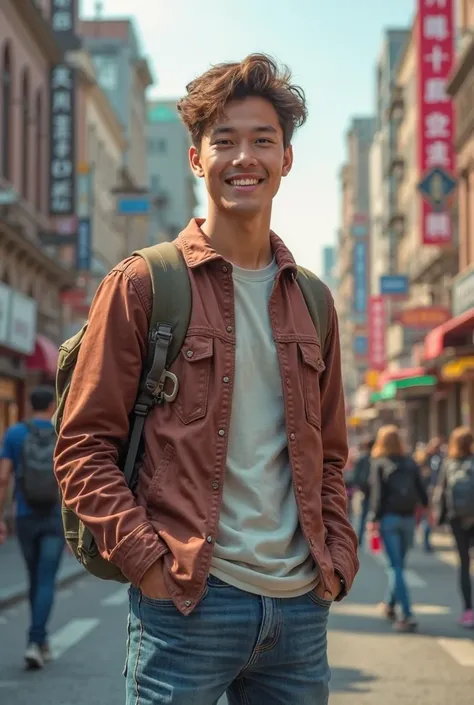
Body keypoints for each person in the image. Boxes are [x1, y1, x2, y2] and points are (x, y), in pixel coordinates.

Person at [54, 54, 358, 705]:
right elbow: (82, 448)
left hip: (299, 610)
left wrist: (335, 560)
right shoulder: (145, 283)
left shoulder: (314, 301)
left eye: (262, 140)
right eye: (224, 140)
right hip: (188, 604)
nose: (243, 157)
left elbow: (330, 453)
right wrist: (148, 564)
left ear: (286, 159)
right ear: (197, 159)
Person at [0, 385, 63, 669]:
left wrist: (2, 517)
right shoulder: (61, 433)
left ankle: (39, 639)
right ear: (51, 405)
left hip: (25, 517)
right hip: (54, 517)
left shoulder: (14, 433)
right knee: (46, 580)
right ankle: (37, 640)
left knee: (33, 577)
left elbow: (3, 478)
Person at [368, 425, 427, 632]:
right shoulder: (410, 462)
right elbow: (422, 489)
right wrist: (428, 511)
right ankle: (390, 605)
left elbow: (377, 495)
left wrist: (373, 520)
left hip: (389, 519)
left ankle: (408, 614)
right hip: (409, 519)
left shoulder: (380, 463)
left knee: (395, 568)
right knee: (399, 565)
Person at [433, 427, 474, 628]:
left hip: (457, 519)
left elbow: (441, 491)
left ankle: (468, 611)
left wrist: (439, 520)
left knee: (464, 564)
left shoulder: (448, 463)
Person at [353, 437, 375, 549]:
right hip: (375, 492)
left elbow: (356, 476)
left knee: (363, 517)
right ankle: (375, 545)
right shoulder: (377, 458)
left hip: (365, 492)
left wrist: (360, 487)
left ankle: (360, 540)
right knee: (375, 518)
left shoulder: (362, 459)